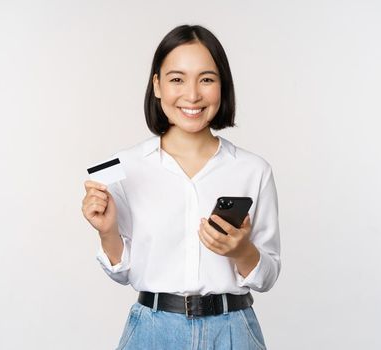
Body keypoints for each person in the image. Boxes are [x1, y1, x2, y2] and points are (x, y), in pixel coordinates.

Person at [81, 24, 281, 350]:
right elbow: (122, 272)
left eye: (206, 79)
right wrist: (107, 231)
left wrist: (241, 250)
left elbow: (268, 274)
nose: (192, 94)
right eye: (177, 79)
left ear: (222, 86)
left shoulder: (253, 170)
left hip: (233, 332)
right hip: (152, 331)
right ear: (157, 85)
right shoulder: (126, 167)